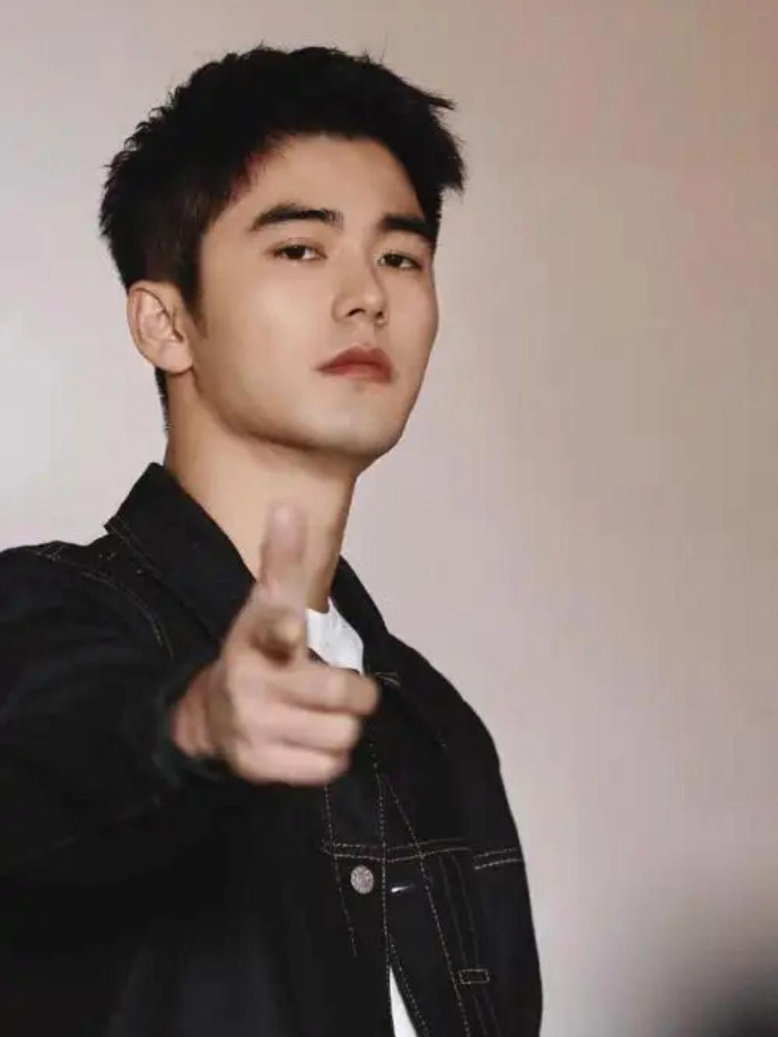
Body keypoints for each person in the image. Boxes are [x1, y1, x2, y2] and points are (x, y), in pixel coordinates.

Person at [0, 44, 542, 1036]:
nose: (367, 294)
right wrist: (196, 726)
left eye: (401, 256)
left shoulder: (436, 729)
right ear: (166, 323)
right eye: (300, 248)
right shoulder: (37, 617)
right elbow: (63, 743)